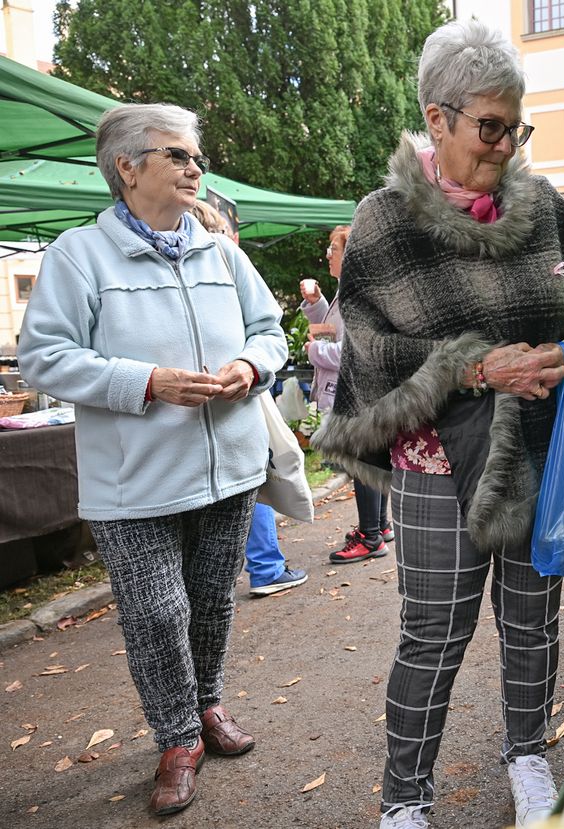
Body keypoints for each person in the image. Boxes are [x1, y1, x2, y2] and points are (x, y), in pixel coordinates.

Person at [311, 20, 564, 829]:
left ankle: (529, 758)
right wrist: (478, 366)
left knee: (533, 619)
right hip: (434, 468)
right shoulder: (385, 220)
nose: (505, 146)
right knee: (433, 634)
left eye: (515, 127)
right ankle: (406, 799)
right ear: (438, 117)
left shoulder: (546, 207)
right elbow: (376, 349)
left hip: (537, 453)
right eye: (490, 126)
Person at [18, 103, 287, 816]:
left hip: (227, 466)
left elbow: (271, 331)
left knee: (211, 603)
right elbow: (45, 357)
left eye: (196, 155)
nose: (196, 167)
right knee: (157, 612)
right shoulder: (79, 255)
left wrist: (247, 366)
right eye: (177, 154)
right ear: (127, 167)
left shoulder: (222, 252)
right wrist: (145, 381)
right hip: (132, 481)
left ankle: (206, 705)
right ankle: (176, 738)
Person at [190, 201, 307, 599]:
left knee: (246, 479)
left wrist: (251, 365)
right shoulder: (217, 267)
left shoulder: (228, 269)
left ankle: (261, 566)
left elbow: (267, 331)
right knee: (250, 477)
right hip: (223, 410)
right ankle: (266, 566)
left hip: (235, 395)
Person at [301, 226, 394, 560]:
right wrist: (315, 305)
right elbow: (333, 329)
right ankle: (379, 525)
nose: (328, 255)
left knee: (361, 462)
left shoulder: (358, 295)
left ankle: (370, 537)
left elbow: (350, 351)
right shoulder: (354, 290)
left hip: (356, 391)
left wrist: (313, 352)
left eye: (333, 250)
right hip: (365, 391)